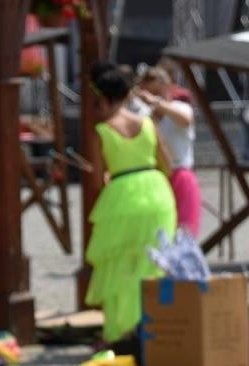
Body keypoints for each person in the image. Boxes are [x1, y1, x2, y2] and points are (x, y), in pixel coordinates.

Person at [83, 62, 177, 349]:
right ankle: (157, 328)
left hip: (122, 196)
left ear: (103, 99)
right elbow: (168, 165)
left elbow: (98, 180)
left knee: (120, 268)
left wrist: (115, 174)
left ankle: (120, 333)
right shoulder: (148, 124)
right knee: (155, 263)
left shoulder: (102, 131)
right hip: (156, 192)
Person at [135, 65, 200, 238]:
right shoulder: (144, 116)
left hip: (180, 173)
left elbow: (185, 120)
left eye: (158, 92)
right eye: (149, 93)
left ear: (169, 88)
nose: (153, 97)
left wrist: (156, 103)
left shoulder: (180, 107)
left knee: (184, 234)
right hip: (155, 178)